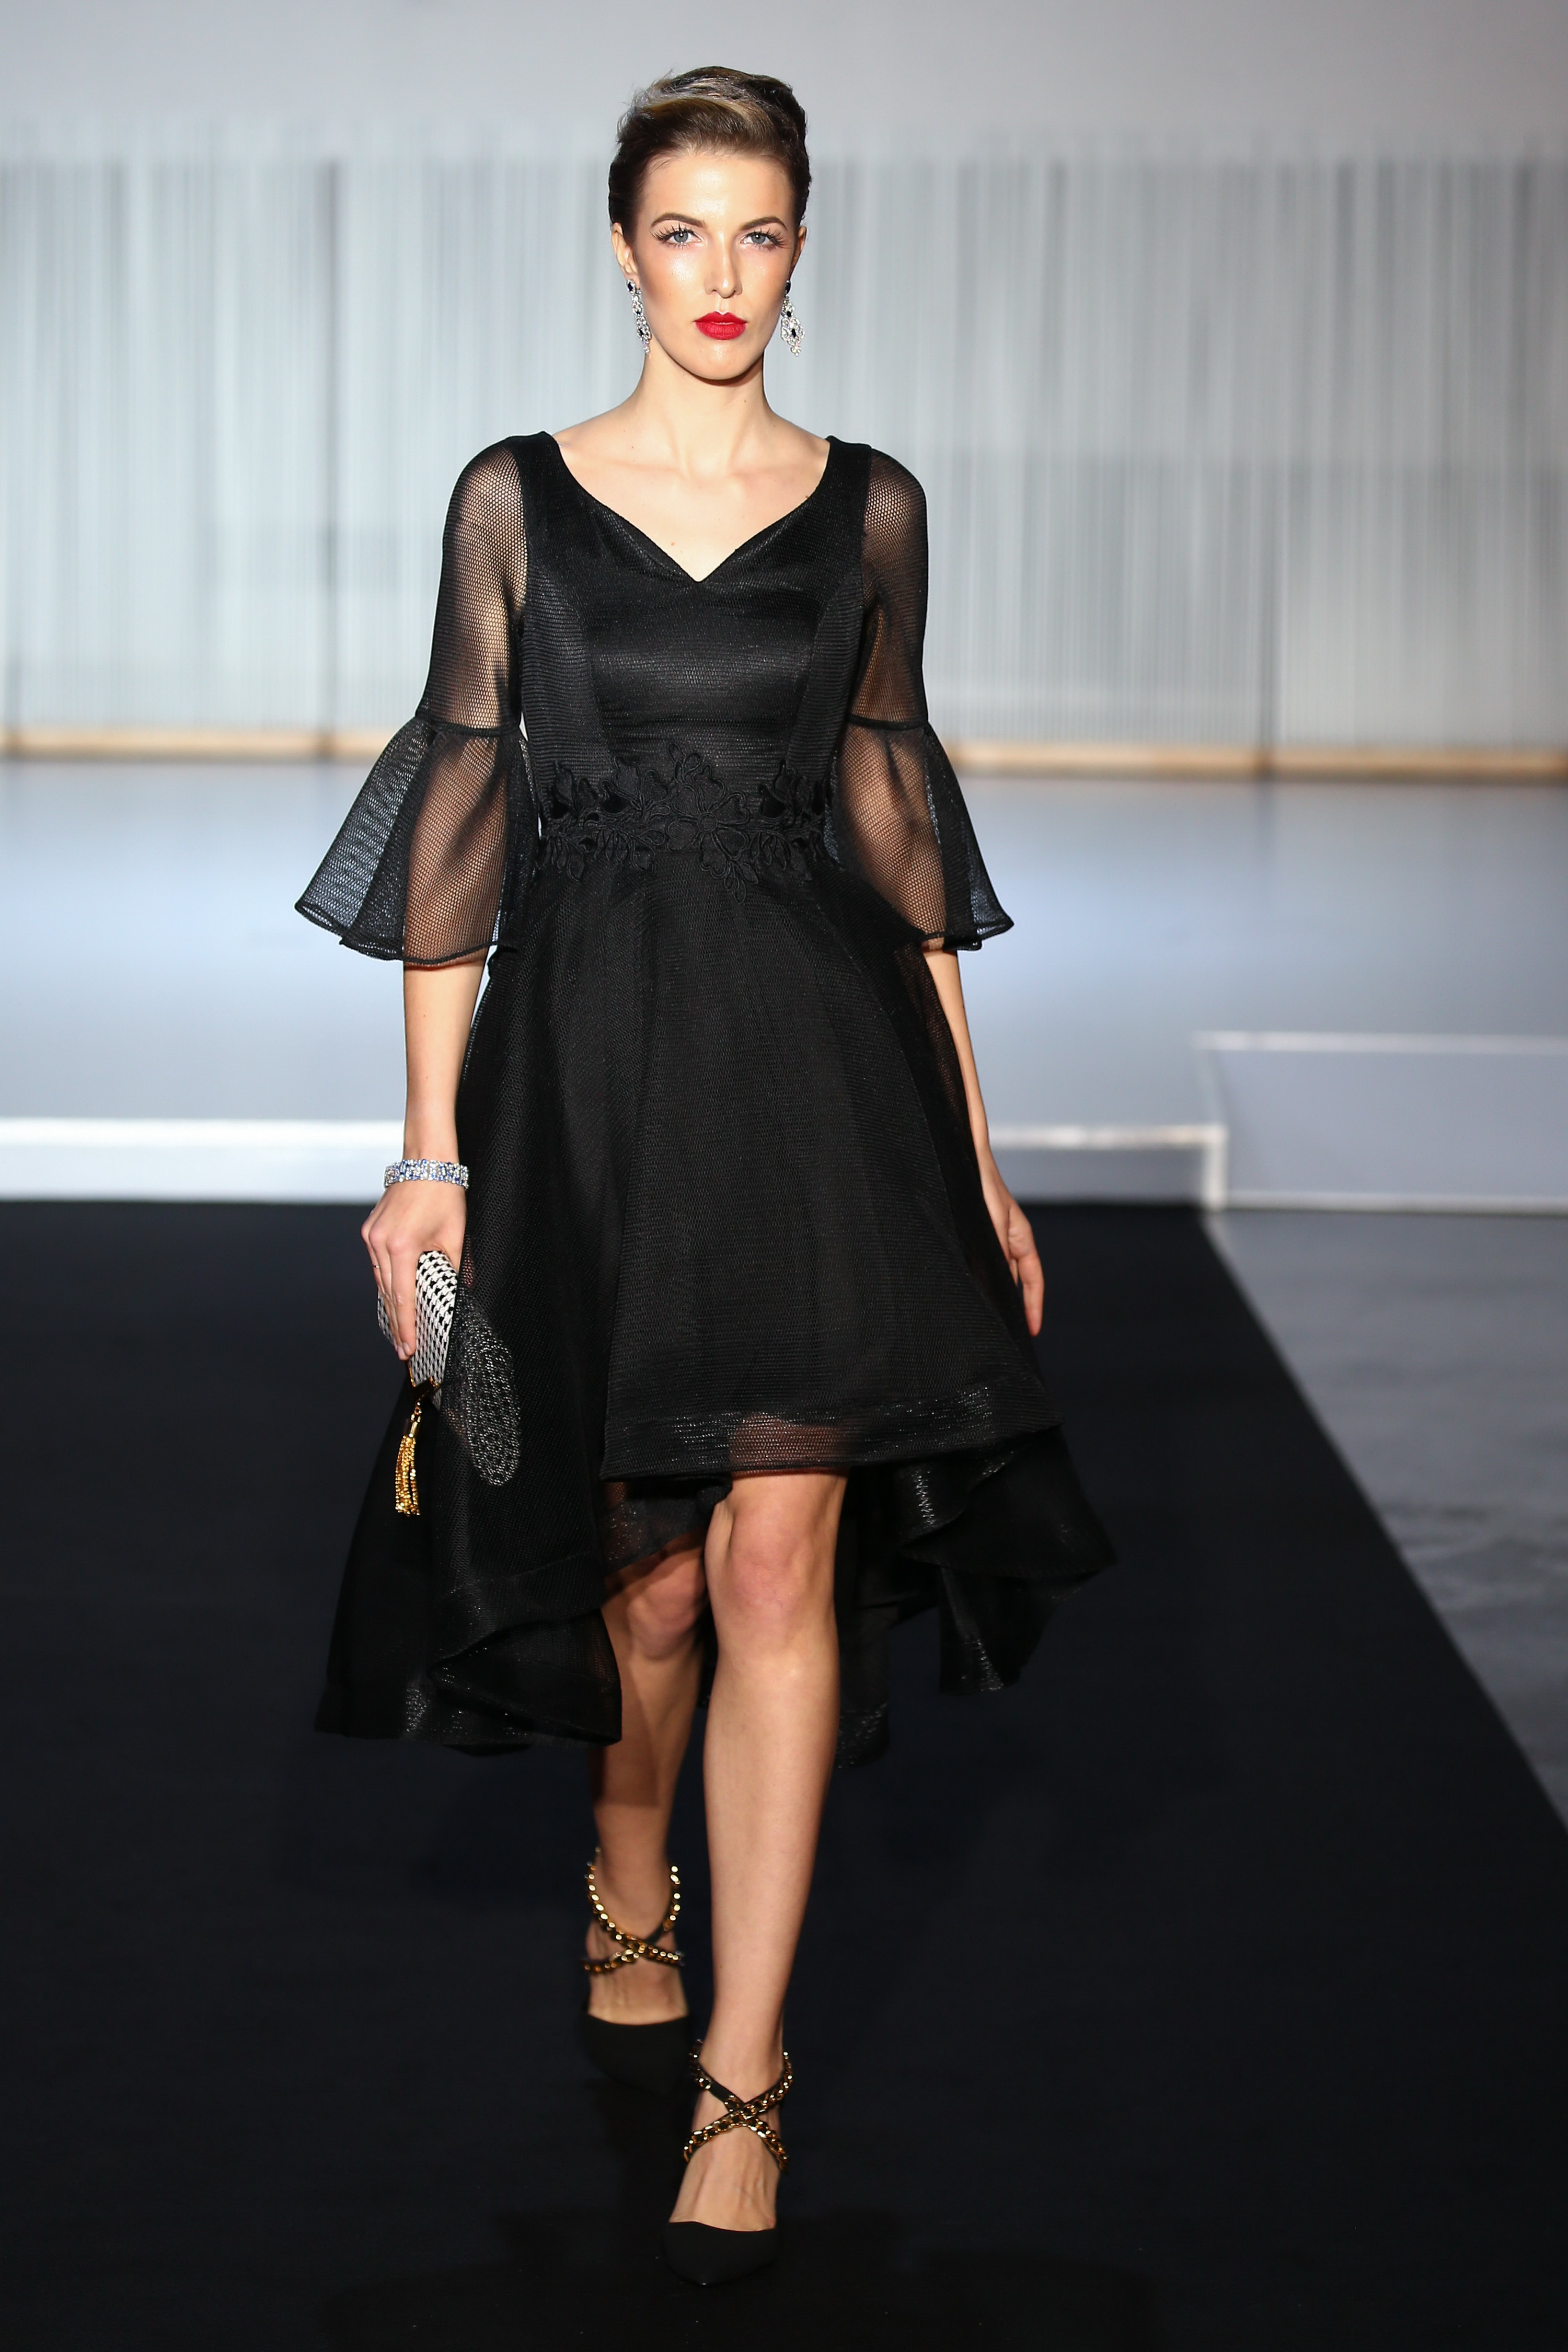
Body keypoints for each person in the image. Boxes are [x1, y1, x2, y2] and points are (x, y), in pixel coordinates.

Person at [297, 66, 1111, 2288]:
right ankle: (627, 1850)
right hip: (587, 1086)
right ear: (624, 249)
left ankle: (746, 2079)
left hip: (825, 1084)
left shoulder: (867, 511)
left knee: (774, 1565)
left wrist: (976, 1156)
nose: (723, 275)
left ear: (801, 249)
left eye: (760, 233)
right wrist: (429, 1159)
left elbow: (900, 833)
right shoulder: (517, 502)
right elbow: (461, 825)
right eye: (685, 232)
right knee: (642, 1583)